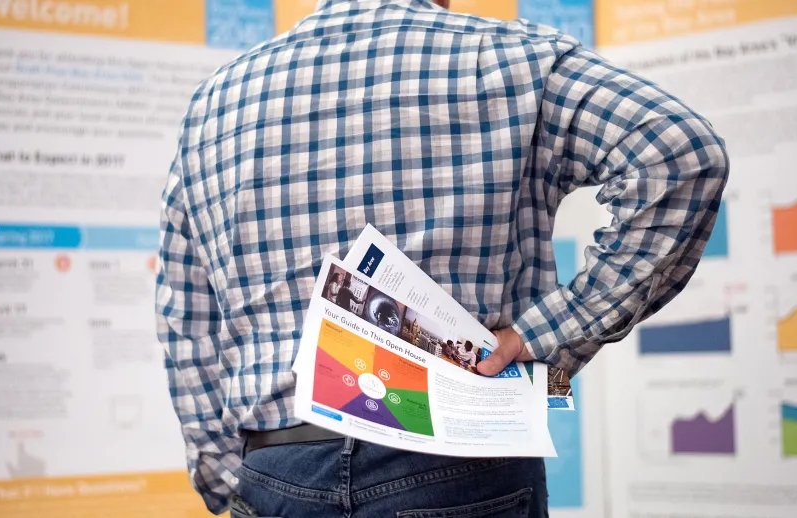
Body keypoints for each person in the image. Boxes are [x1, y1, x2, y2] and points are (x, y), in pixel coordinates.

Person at [154, 0, 728, 516]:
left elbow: (189, 319)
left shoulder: (215, 103)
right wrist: (543, 338)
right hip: (458, 469)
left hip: (277, 471)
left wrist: (230, 479)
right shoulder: (506, 59)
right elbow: (681, 154)